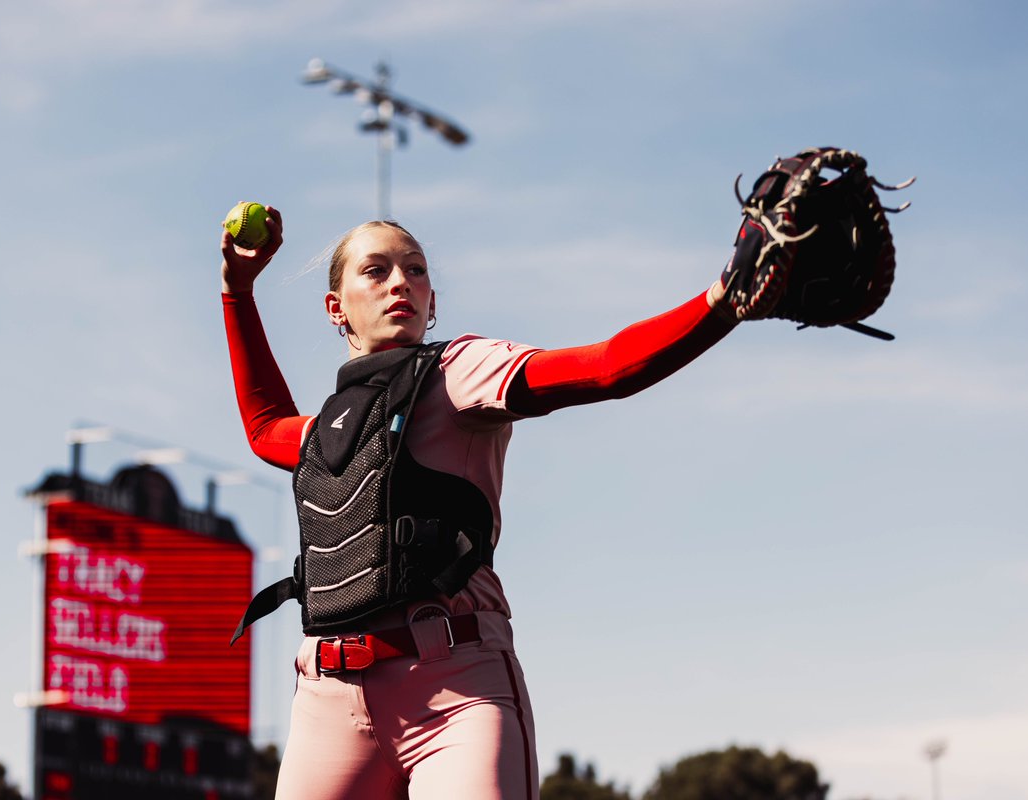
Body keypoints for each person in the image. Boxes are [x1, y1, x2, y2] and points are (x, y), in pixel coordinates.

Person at [220, 208, 738, 800]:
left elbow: (607, 367)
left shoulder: (460, 371)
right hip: (328, 699)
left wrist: (722, 300)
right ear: (335, 307)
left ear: (432, 300)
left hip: (453, 689)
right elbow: (266, 428)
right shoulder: (331, 428)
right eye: (376, 270)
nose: (400, 283)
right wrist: (239, 290)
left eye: (415, 271)